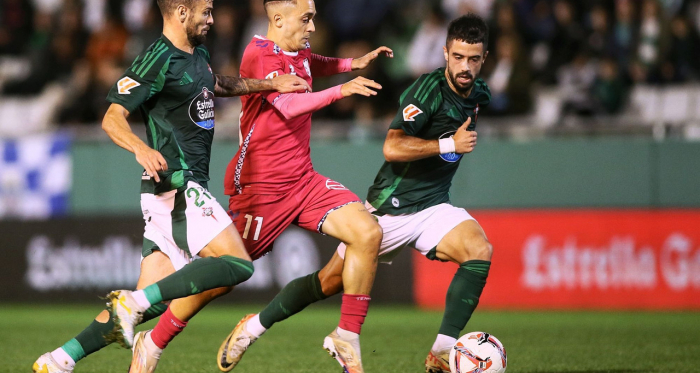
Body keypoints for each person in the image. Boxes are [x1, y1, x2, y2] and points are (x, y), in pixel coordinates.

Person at [31, 0, 311, 372]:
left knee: (153, 303)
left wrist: (268, 84)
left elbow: (217, 84)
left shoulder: (197, 54)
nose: (212, 19)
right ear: (181, 12)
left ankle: (59, 359)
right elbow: (112, 118)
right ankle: (134, 303)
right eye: (206, 11)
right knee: (237, 265)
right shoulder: (156, 58)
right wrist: (140, 147)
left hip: (177, 188)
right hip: (176, 182)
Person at [216, 13, 493, 373]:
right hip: (391, 207)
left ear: (484, 59)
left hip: (434, 205)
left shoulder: (480, 94)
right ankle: (253, 327)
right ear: (444, 53)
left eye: (473, 59)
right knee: (326, 283)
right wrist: (446, 144)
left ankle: (441, 353)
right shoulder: (427, 91)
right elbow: (392, 147)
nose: (465, 67)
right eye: (458, 57)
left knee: (479, 250)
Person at [217, 1, 393, 373]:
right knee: (216, 277)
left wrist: (350, 64)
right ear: (278, 19)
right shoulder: (258, 55)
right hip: (261, 189)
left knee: (367, 233)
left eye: (313, 17)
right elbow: (290, 106)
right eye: (306, 18)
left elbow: (315, 62)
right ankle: (153, 328)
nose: (313, 26)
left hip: (303, 180)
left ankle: (347, 336)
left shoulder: (298, 50)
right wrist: (341, 91)